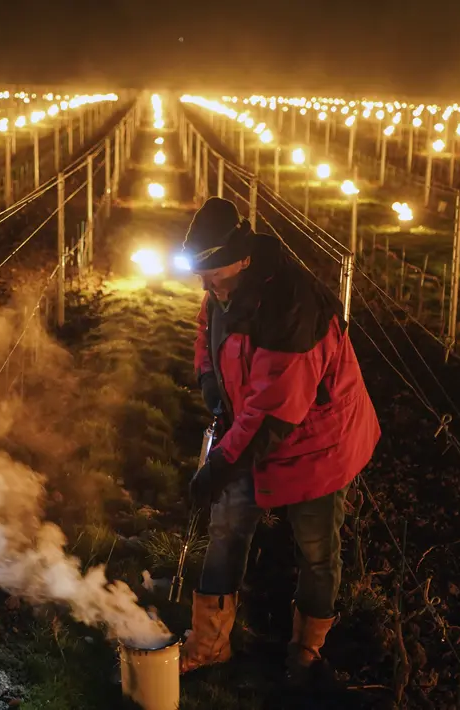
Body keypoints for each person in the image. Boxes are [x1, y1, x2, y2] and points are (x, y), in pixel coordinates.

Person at [177, 197, 381, 685]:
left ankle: (306, 654)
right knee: (226, 532)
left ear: (243, 258)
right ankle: (208, 645)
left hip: (317, 442)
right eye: (202, 277)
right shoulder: (225, 287)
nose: (207, 286)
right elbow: (209, 328)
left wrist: (219, 466)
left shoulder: (291, 307)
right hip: (252, 428)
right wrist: (208, 379)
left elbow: (273, 413)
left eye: (214, 275)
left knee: (316, 551)